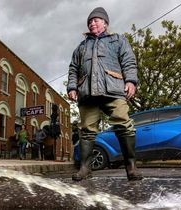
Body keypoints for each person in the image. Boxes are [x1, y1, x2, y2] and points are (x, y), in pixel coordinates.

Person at [67, 7, 143, 181]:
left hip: (113, 90)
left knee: (124, 125)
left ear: (105, 23)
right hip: (87, 94)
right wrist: (72, 87)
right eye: (90, 21)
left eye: (96, 20)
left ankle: (131, 167)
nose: (92, 23)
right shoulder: (81, 46)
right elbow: (73, 69)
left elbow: (129, 61)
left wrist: (130, 81)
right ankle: (85, 168)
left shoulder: (118, 40)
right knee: (86, 131)